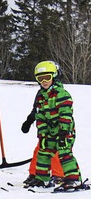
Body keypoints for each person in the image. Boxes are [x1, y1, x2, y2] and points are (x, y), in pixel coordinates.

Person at [24, 61, 86, 191]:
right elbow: (40, 117)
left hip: (65, 131)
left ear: (55, 76)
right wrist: (43, 134)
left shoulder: (61, 94)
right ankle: (42, 179)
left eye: (47, 77)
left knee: (64, 153)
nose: (44, 81)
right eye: (40, 79)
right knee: (44, 152)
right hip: (50, 132)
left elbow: (66, 114)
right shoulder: (41, 96)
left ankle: (73, 179)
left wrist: (63, 132)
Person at [20, 93, 64, 186]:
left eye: (46, 79)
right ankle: (35, 173)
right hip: (44, 128)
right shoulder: (41, 93)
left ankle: (58, 174)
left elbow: (64, 112)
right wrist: (29, 120)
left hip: (56, 129)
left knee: (56, 151)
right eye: (41, 79)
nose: (44, 82)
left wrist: (62, 129)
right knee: (40, 149)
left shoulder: (58, 93)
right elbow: (36, 109)